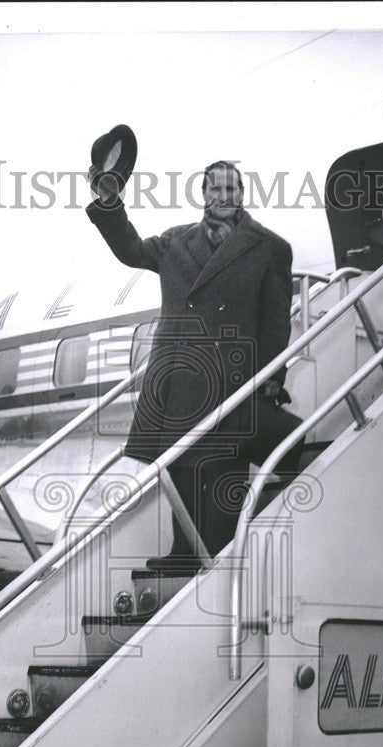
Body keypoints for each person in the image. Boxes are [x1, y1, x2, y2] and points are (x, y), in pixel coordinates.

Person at [86, 160, 294, 568]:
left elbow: (275, 322)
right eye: (215, 188)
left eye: (232, 189)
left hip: (230, 374)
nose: (223, 196)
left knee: (222, 462)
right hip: (178, 371)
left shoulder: (269, 248)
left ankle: (213, 549)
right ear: (203, 194)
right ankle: (184, 549)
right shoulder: (175, 242)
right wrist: (109, 201)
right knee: (177, 460)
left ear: (242, 195)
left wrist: (270, 377)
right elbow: (130, 250)